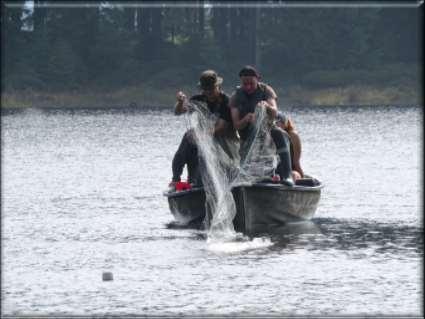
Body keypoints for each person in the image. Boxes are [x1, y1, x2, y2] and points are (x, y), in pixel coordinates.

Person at [169, 70, 237, 188]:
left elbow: (221, 127)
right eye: (205, 89)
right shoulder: (198, 99)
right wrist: (180, 102)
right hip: (203, 138)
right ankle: (176, 179)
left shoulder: (226, 101)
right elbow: (178, 111)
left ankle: (203, 181)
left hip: (223, 141)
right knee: (187, 137)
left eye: (211, 89)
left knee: (196, 139)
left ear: (218, 86)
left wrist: (203, 135)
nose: (208, 92)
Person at [229, 65, 293, 185]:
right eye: (245, 84)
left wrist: (266, 106)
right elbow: (236, 125)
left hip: (267, 131)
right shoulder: (236, 97)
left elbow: (274, 112)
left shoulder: (266, 90)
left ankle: (287, 174)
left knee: (279, 133)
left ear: (257, 79)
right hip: (247, 135)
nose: (248, 87)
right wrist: (246, 119)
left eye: (251, 83)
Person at [275, 112, 304, 181]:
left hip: (290, 169)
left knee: (293, 175)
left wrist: (302, 177)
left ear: (284, 123)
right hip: (273, 169)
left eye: (277, 122)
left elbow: (296, 162)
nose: (275, 125)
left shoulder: (293, 135)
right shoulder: (269, 134)